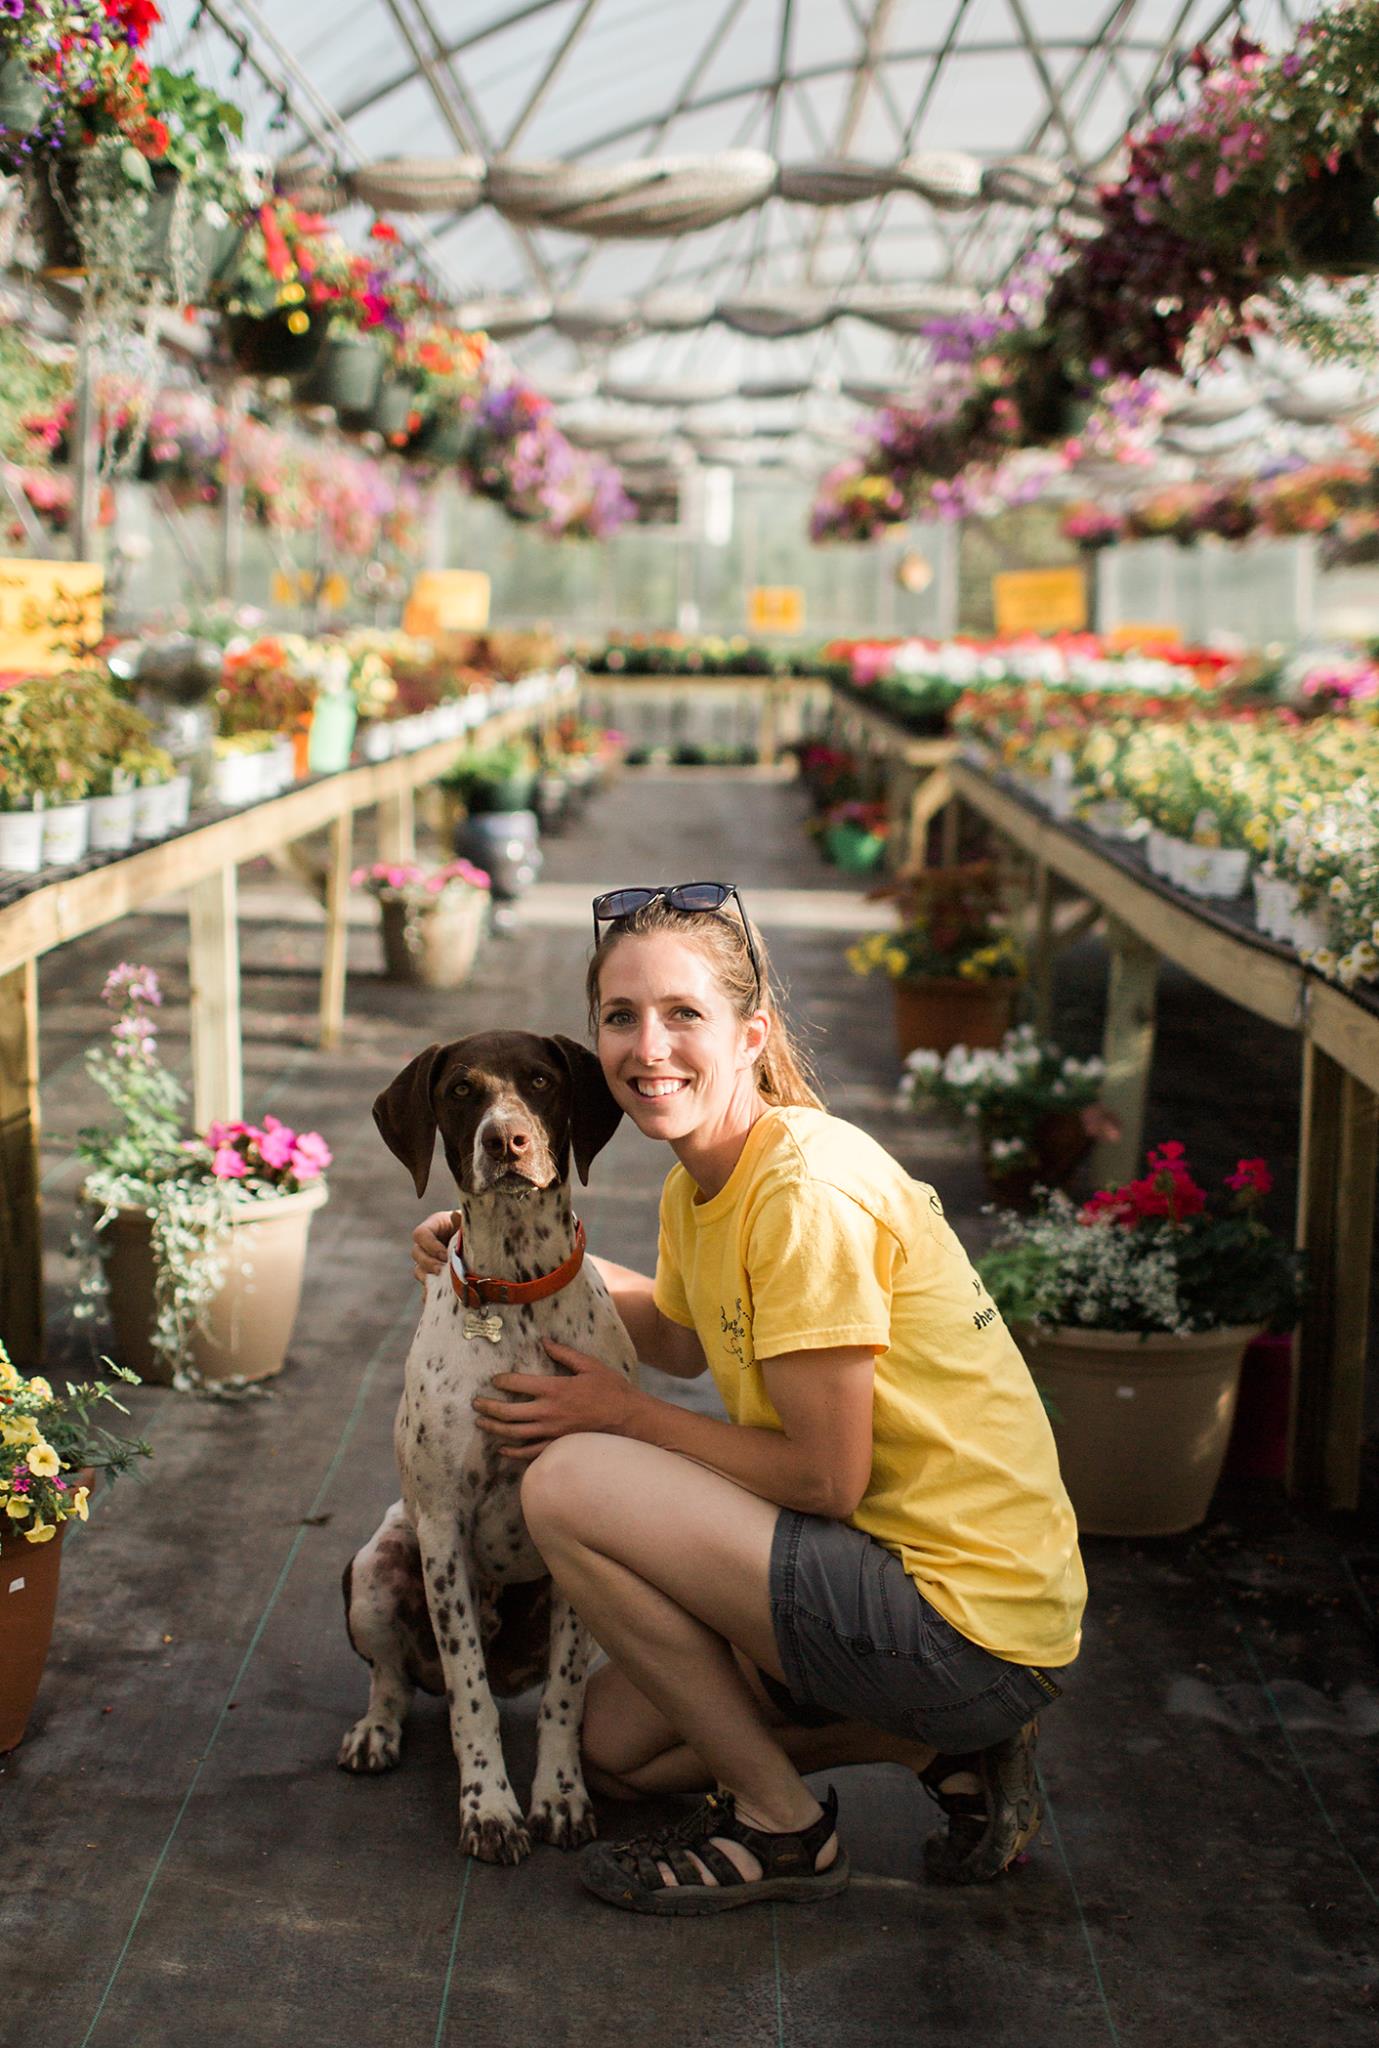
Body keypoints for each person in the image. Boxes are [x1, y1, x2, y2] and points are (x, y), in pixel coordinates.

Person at [411, 880, 1086, 1916]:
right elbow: (682, 1334)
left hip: (960, 1610)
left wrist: (623, 1416)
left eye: (683, 1014)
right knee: (614, 1749)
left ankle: (781, 1826)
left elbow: (824, 1475)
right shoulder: (702, 1183)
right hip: (885, 1583)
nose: (649, 1048)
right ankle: (929, 1739)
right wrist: (495, 1269)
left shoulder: (802, 1191)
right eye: (621, 1018)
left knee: (570, 1483)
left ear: (750, 1031)